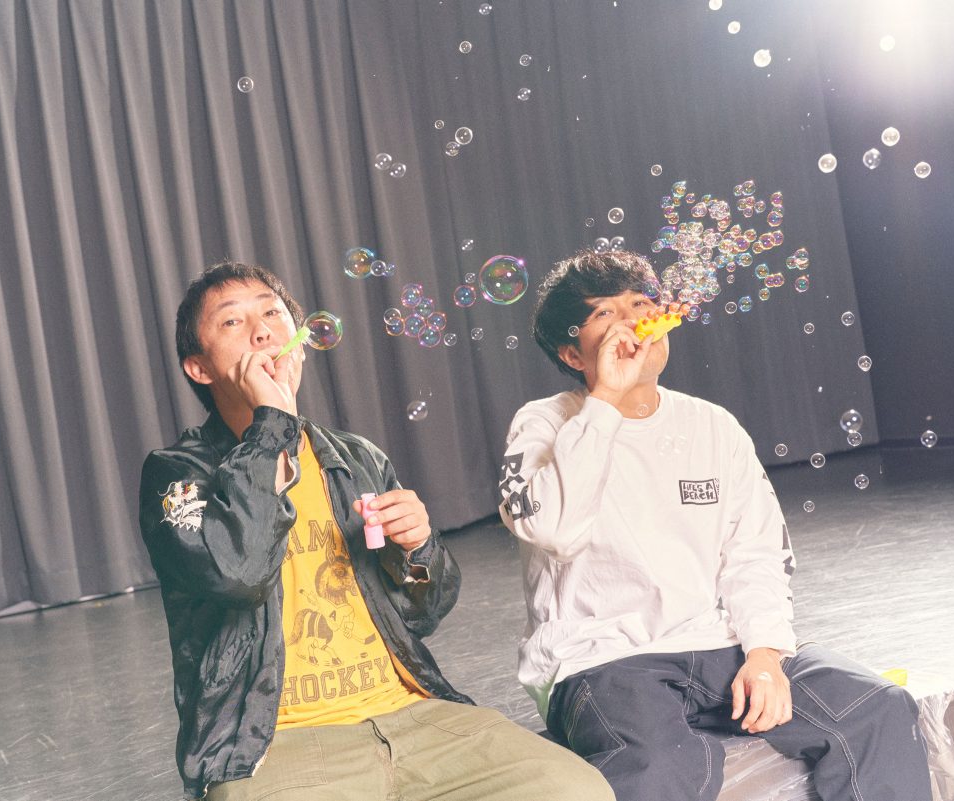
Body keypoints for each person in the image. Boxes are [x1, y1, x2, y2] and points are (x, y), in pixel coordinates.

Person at [140, 260, 613, 801]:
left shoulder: (356, 458)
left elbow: (424, 612)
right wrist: (273, 424)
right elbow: (237, 574)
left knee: (578, 790)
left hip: (411, 713)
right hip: (271, 742)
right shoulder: (176, 474)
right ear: (199, 368)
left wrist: (418, 548)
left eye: (272, 313)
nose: (263, 330)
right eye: (232, 321)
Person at [497, 249, 932, 801]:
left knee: (876, 708)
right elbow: (555, 530)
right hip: (601, 660)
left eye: (641, 304)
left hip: (716, 645)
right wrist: (605, 399)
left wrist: (765, 654)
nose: (632, 321)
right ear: (571, 352)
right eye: (605, 313)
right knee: (662, 764)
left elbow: (755, 554)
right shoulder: (542, 424)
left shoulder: (711, 425)